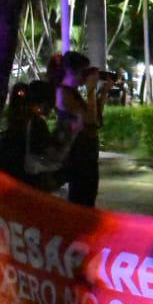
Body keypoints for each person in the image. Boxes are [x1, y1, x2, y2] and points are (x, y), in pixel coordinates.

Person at [55, 52, 110, 207]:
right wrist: (91, 91)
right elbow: (90, 120)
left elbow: (95, 118)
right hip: (78, 155)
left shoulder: (73, 92)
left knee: (88, 198)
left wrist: (103, 92)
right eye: (83, 72)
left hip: (87, 154)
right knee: (81, 200)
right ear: (72, 71)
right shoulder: (64, 93)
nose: (85, 76)